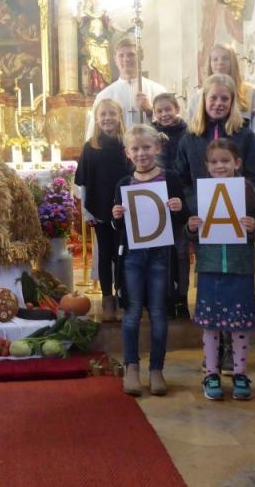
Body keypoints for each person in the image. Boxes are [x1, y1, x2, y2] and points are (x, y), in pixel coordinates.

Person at [176, 73, 255, 374]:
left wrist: (245, 202)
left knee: (235, 287)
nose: (218, 103)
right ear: (203, 100)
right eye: (213, 98)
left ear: (233, 102)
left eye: (224, 98)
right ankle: (217, 350)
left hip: (236, 223)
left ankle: (231, 351)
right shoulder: (190, 137)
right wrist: (195, 205)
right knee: (212, 285)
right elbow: (181, 177)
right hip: (205, 221)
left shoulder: (244, 135)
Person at [186, 139, 255, 401]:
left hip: (239, 267)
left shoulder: (246, 190)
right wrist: (191, 227)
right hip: (209, 267)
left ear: (237, 163)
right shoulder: (201, 193)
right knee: (210, 324)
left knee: (239, 322)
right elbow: (190, 231)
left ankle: (240, 372)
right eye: (214, 162)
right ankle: (211, 373)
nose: (220, 166)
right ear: (207, 166)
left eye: (225, 160)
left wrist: (254, 227)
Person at [111, 125, 187, 396]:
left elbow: (182, 218)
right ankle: (132, 367)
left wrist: (179, 208)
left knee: (158, 312)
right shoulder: (124, 184)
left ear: (157, 148)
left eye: (146, 147)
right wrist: (116, 216)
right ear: (127, 152)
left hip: (161, 254)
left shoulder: (170, 179)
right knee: (132, 313)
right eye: (135, 148)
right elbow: (118, 227)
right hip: (133, 255)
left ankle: (156, 369)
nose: (141, 153)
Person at [74, 99, 133, 322]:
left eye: (112, 114)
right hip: (100, 207)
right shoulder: (91, 147)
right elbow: (83, 182)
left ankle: (124, 295)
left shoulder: (128, 145)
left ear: (119, 116)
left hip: (126, 209)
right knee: (106, 254)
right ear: (97, 119)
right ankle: (108, 298)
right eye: (103, 115)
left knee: (124, 254)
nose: (108, 118)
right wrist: (88, 212)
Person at [188, 44, 255, 170]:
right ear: (209, 64)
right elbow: (193, 131)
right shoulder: (198, 97)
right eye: (215, 59)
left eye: (225, 58)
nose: (220, 63)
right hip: (206, 163)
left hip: (241, 162)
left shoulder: (250, 93)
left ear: (233, 62)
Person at [152, 92, 191, 318]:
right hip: (156, 199)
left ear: (177, 109)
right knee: (161, 253)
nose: (164, 114)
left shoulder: (188, 133)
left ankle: (182, 297)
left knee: (181, 251)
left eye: (168, 109)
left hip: (180, 197)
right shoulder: (150, 134)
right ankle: (164, 297)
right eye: (159, 110)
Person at [88, 38, 167, 136]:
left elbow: (171, 128)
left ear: (140, 57)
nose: (126, 59)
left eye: (131, 55)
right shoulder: (104, 96)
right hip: (116, 145)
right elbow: (93, 133)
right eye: (121, 55)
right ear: (115, 60)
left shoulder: (158, 91)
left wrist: (150, 110)